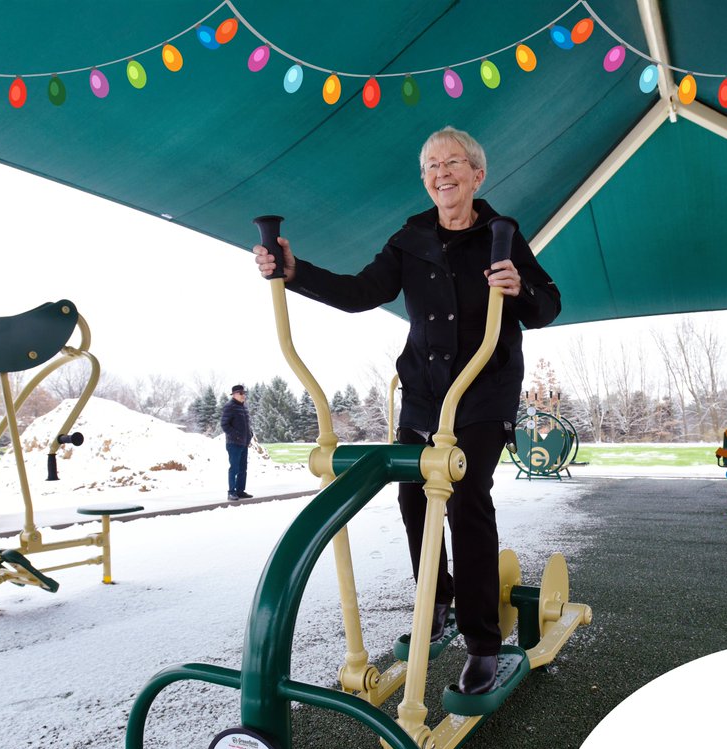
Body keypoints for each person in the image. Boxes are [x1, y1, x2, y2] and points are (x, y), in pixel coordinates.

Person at [253, 126, 561, 694]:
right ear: (425, 180)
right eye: (432, 167)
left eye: (453, 163)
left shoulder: (502, 236)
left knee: (466, 497)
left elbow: (548, 306)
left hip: (484, 391)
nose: (442, 173)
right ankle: (437, 597)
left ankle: (482, 643)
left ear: (477, 175)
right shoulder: (409, 240)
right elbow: (358, 293)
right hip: (423, 393)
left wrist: (519, 288)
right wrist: (293, 272)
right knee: (414, 496)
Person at [220, 384, 253, 501]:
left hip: (244, 443)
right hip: (233, 444)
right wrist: (237, 436)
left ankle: (240, 491)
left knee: (243, 468)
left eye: (244, 393)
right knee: (234, 468)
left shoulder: (244, 407)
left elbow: (247, 425)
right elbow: (224, 425)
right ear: (234, 395)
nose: (243, 395)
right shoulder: (230, 407)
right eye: (241, 393)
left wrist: (250, 435)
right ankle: (231, 492)